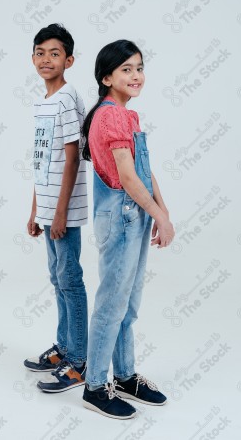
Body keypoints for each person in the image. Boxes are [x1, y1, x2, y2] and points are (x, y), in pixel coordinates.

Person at [81, 39, 175, 419]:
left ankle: (123, 375)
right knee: (111, 305)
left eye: (139, 67)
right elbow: (126, 177)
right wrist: (159, 214)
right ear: (107, 77)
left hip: (134, 216)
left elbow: (144, 171)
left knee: (129, 304)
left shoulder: (128, 116)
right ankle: (94, 386)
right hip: (121, 217)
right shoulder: (111, 116)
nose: (136, 75)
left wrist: (161, 211)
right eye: (126, 69)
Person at [24, 23, 88, 393]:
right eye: (40, 52)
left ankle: (78, 361)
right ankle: (64, 348)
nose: (46, 59)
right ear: (32, 58)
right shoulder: (42, 102)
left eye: (55, 53)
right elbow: (41, 161)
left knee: (70, 280)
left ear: (69, 59)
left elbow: (71, 158)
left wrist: (61, 212)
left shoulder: (66, 98)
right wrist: (36, 209)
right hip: (48, 208)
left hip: (65, 209)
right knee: (57, 279)